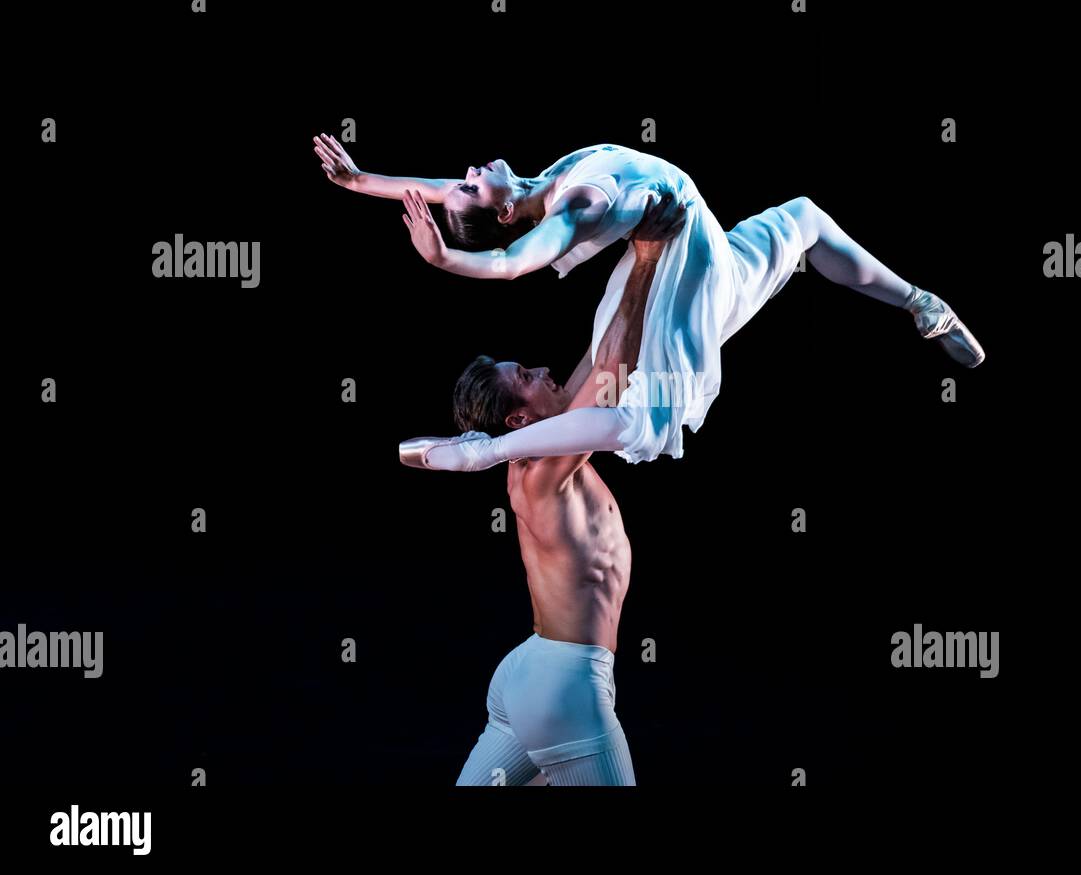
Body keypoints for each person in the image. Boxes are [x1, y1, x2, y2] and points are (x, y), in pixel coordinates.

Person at [314, 136, 985, 469]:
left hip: (702, 261)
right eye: (468, 190)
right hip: (684, 270)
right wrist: (445, 260)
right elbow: (513, 262)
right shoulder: (571, 209)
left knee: (805, 218)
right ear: (505, 212)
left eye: (457, 184)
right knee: (639, 417)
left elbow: (440, 190)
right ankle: (476, 454)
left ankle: (925, 305)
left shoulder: (538, 185)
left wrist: (360, 180)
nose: (460, 176)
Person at [400, 194, 685, 786]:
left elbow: (603, 344)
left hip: (528, 674)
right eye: (526, 379)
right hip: (567, 686)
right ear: (518, 422)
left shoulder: (546, 443)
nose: (542, 371)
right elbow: (612, 374)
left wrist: (639, 255)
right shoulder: (544, 463)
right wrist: (650, 258)